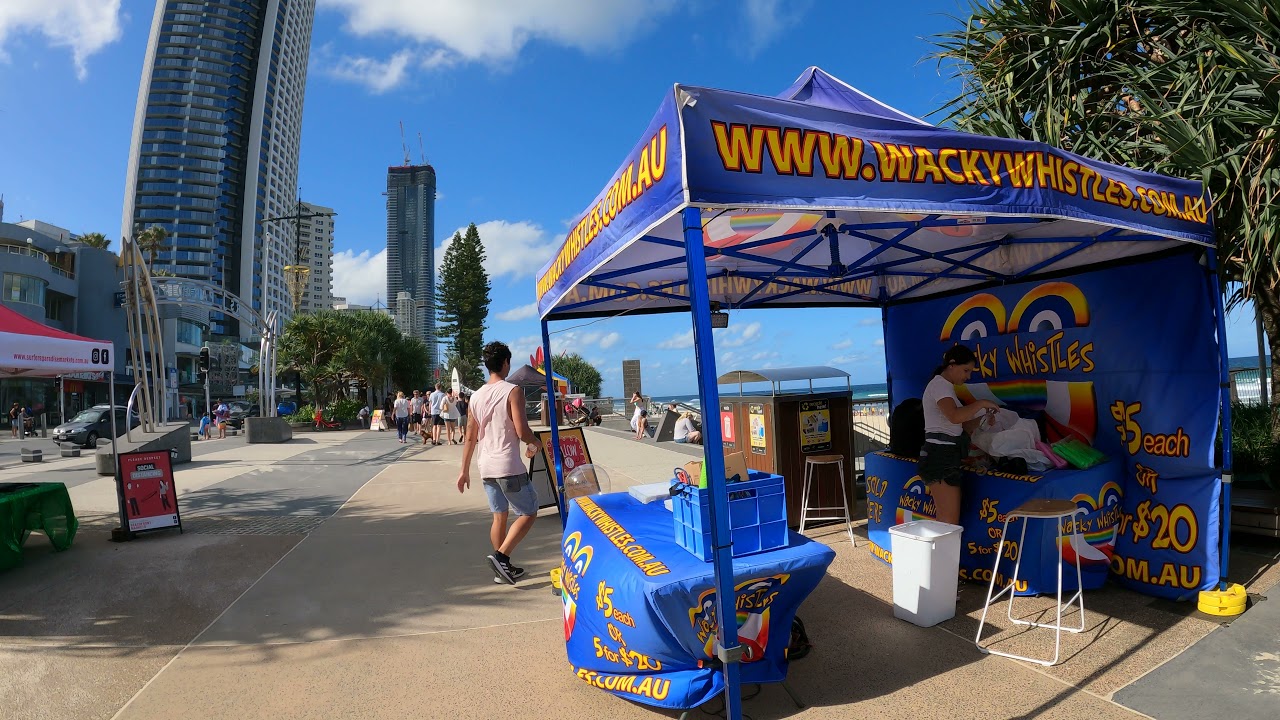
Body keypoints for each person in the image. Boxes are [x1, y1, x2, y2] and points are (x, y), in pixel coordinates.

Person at [458, 341, 541, 585]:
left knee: (499, 516)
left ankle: (501, 569)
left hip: (486, 466)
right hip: (508, 465)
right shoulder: (512, 391)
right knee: (529, 511)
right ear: (505, 363)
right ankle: (501, 557)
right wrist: (536, 443)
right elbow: (522, 430)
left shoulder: (476, 397)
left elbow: (470, 436)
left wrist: (463, 471)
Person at [919, 345, 1000, 526]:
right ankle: (943, 555)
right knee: (949, 523)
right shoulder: (940, 385)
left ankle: (942, 554)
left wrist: (984, 418)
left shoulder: (944, 387)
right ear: (951, 365)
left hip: (944, 455)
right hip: (939, 456)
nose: (968, 376)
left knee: (946, 521)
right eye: (966, 370)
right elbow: (954, 416)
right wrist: (981, 403)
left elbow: (961, 425)